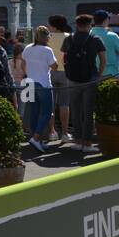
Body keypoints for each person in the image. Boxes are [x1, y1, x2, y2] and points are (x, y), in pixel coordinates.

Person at [61, 14, 106, 154]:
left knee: (75, 110)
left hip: (73, 79)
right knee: (88, 112)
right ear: (89, 25)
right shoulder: (95, 39)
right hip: (90, 78)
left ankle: (77, 141)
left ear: (77, 24)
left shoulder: (69, 39)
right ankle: (87, 143)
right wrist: (98, 73)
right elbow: (103, 59)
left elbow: (64, 57)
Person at [23, 27, 58, 153]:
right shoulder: (47, 50)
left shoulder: (27, 48)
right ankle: (37, 138)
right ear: (46, 36)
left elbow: (23, 63)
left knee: (34, 111)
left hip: (30, 82)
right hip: (43, 84)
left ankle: (35, 137)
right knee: (47, 112)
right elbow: (54, 66)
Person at [47, 14, 73, 142]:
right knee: (64, 104)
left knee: (50, 104)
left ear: (54, 26)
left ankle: (52, 132)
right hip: (66, 73)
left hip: (50, 72)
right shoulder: (69, 37)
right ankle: (65, 133)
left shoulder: (47, 38)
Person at [91, 10, 119, 80]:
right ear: (106, 20)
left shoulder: (88, 35)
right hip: (112, 73)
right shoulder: (113, 36)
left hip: (92, 73)